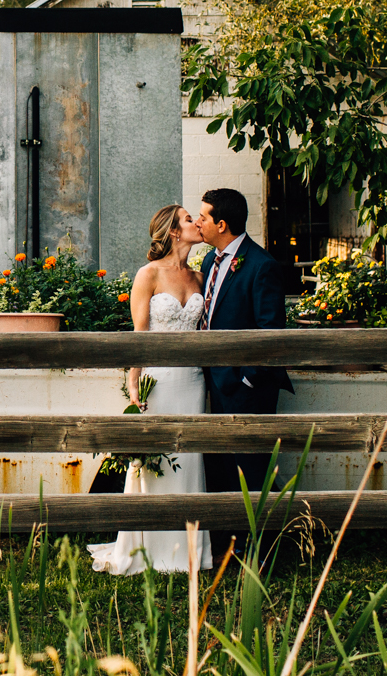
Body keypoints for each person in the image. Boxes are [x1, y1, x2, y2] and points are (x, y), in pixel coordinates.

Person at [88, 204, 214, 575]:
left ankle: (188, 552)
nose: (196, 223)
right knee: (154, 463)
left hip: (193, 381)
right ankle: (145, 547)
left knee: (190, 461)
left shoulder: (199, 276)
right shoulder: (148, 275)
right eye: (189, 219)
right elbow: (138, 335)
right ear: (174, 231)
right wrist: (132, 382)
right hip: (158, 382)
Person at [195, 187, 294, 546]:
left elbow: (271, 333)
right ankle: (230, 542)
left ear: (222, 224)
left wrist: (248, 380)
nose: (197, 222)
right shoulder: (209, 262)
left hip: (246, 388)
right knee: (222, 466)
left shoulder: (261, 265)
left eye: (203, 217)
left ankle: (268, 548)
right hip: (213, 384)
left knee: (252, 468)